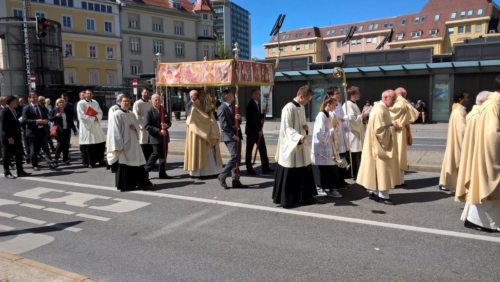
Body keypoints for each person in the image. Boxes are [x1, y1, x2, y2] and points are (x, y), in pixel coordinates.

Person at [456, 82, 499, 232]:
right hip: (487, 154)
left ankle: (476, 220)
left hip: (479, 152)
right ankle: (478, 221)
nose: (467, 100)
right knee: (486, 189)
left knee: (482, 188)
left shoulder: (482, 109)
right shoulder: (493, 106)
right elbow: (493, 135)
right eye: (465, 97)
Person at [272, 85, 317, 208]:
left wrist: (305, 128)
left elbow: (301, 124)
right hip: (291, 145)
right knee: (291, 171)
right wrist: (298, 137)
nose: (308, 102)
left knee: (303, 170)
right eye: (307, 100)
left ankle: (304, 197)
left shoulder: (301, 107)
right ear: (301, 96)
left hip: (300, 143)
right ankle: (288, 199)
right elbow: (287, 128)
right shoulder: (288, 108)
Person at [356, 90, 401, 205]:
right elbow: (380, 131)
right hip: (379, 146)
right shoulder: (379, 110)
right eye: (393, 99)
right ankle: (383, 195)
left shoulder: (381, 108)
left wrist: (391, 124)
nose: (395, 101)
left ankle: (373, 191)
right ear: (385, 97)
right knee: (383, 170)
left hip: (375, 146)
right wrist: (393, 127)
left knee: (376, 170)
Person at [106, 95, 153, 191]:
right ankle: (125, 185)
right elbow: (114, 131)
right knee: (124, 164)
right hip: (123, 144)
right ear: (120, 102)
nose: (127, 103)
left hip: (133, 143)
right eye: (124, 101)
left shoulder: (131, 114)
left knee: (136, 163)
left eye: (128, 101)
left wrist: (135, 129)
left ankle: (136, 182)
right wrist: (118, 146)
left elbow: (137, 127)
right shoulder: (116, 115)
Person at [456, 91, 492, 203]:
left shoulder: (472, 114)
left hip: (471, 151)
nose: (468, 99)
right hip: (477, 153)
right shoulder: (479, 115)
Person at [184, 89, 223, 178]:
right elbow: (193, 121)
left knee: (210, 153)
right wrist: (207, 123)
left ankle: (213, 171)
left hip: (208, 133)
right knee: (198, 152)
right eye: (201, 96)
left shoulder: (206, 104)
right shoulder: (194, 106)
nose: (203, 97)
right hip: (198, 135)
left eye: (204, 96)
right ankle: (199, 173)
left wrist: (211, 123)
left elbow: (211, 116)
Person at [311, 96, 343, 199]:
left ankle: (328, 188)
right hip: (322, 147)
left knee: (329, 168)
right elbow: (319, 133)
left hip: (328, 145)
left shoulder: (328, 115)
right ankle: (325, 188)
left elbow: (330, 129)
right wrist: (331, 131)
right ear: (328, 105)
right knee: (325, 168)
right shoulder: (321, 116)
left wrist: (335, 128)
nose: (335, 107)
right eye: (334, 105)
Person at [438, 91, 469, 192]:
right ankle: (455, 185)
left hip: (453, 141)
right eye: (466, 98)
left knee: (450, 162)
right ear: (460, 99)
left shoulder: (456, 110)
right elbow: (462, 130)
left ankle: (446, 183)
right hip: (458, 142)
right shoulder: (459, 112)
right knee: (457, 163)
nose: (468, 100)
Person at [389, 87, 419, 186]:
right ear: (402, 94)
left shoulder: (394, 102)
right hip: (398, 131)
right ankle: (398, 181)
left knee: (396, 157)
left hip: (394, 131)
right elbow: (414, 114)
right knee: (398, 157)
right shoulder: (401, 102)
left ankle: (397, 180)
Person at [216, 90, 245, 189]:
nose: (234, 96)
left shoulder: (233, 107)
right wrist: (233, 135)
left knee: (238, 158)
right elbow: (223, 125)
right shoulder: (221, 108)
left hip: (237, 134)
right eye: (232, 94)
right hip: (229, 136)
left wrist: (239, 118)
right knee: (235, 156)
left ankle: (235, 179)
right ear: (227, 96)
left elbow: (236, 122)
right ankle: (222, 175)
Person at [22, 92, 55, 171]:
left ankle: (50, 163)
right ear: (29, 99)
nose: (34, 99)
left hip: (42, 131)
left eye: (35, 97)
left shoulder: (42, 107)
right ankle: (35, 165)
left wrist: (46, 121)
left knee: (46, 148)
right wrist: (36, 121)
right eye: (32, 97)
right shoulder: (27, 108)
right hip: (32, 132)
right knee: (34, 150)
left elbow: (48, 117)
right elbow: (24, 120)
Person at [0, 96, 31, 178]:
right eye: (15, 101)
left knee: (19, 154)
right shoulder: (4, 111)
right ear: (10, 102)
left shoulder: (13, 110)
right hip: (8, 138)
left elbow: (15, 123)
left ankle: (20, 171)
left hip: (16, 136)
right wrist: (9, 137)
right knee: (7, 155)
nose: (16, 102)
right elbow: (3, 126)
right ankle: (7, 172)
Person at [342, 86, 368, 180]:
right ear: (352, 94)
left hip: (357, 133)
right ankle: (356, 174)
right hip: (353, 134)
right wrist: (361, 116)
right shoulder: (348, 104)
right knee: (355, 154)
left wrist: (362, 117)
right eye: (357, 93)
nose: (359, 95)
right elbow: (351, 120)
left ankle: (359, 174)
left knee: (358, 153)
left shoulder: (354, 104)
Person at [245, 88, 272, 175]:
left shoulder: (256, 104)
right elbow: (252, 120)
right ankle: (249, 169)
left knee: (263, 149)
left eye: (259, 94)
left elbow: (257, 118)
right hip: (252, 132)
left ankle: (265, 167)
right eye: (257, 94)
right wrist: (258, 131)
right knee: (249, 150)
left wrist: (263, 114)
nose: (259, 96)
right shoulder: (251, 104)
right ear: (253, 95)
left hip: (257, 131)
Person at [77, 88, 106, 168]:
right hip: (87, 127)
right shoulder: (81, 103)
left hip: (96, 126)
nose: (89, 95)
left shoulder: (95, 102)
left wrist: (97, 117)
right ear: (85, 94)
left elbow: (100, 112)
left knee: (100, 142)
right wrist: (94, 118)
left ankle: (100, 160)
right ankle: (91, 162)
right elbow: (82, 116)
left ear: (92, 95)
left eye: (90, 93)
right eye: (87, 93)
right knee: (90, 145)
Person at [145, 94, 172, 179]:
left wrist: (166, 125)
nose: (158, 101)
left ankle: (162, 173)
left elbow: (169, 122)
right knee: (155, 154)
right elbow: (147, 126)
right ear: (152, 101)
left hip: (164, 137)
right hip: (155, 137)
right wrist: (158, 131)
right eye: (156, 100)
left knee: (163, 156)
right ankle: (145, 171)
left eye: (159, 100)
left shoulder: (163, 110)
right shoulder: (149, 111)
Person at [327, 87, 349, 187]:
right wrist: (341, 119)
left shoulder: (339, 104)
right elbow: (332, 119)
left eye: (339, 93)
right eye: (336, 93)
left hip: (341, 134)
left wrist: (345, 123)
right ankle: (336, 181)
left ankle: (342, 179)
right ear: (331, 95)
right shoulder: (329, 105)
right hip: (334, 135)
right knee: (336, 159)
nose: (339, 95)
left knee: (342, 157)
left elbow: (342, 118)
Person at [49, 98, 77, 165]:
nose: (61, 104)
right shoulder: (54, 111)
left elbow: (70, 121)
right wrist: (56, 116)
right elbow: (50, 119)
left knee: (66, 145)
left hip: (67, 130)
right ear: (57, 104)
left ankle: (65, 159)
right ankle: (56, 158)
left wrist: (74, 130)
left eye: (62, 102)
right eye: (60, 103)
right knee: (60, 145)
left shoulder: (67, 111)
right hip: (59, 131)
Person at [133, 88, 153, 160]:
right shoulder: (137, 103)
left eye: (147, 92)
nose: (146, 94)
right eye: (145, 92)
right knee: (143, 144)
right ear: (141, 93)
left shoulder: (151, 102)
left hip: (150, 127)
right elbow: (136, 115)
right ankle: (144, 161)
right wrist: (142, 124)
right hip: (142, 127)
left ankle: (150, 161)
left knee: (150, 145)